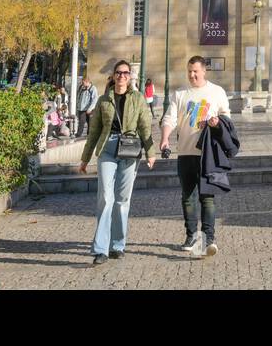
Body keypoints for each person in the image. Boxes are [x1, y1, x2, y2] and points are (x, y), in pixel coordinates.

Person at [79, 60, 157, 265]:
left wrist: (151, 152)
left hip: (129, 150)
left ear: (130, 76)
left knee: (122, 200)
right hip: (107, 148)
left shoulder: (138, 99)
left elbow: (145, 127)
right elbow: (94, 131)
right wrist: (85, 158)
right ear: (113, 76)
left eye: (125, 73)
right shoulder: (104, 101)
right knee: (105, 197)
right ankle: (100, 249)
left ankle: (117, 245)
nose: (122, 76)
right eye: (118, 73)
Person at [160, 55, 231, 258]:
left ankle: (209, 238)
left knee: (207, 198)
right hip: (185, 152)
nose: (192, 75)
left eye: (195, 71)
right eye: (189, 71)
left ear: (204, 71)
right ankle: (191, 235)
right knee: (188, 198)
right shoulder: (181, 93)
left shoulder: (217, 92)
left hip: (208, 154)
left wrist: (216, 122)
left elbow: (227, 118)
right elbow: (169, 118)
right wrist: (165, 138)